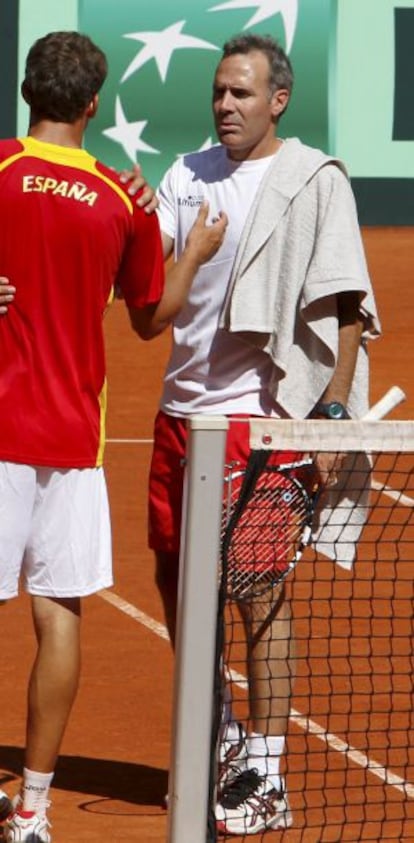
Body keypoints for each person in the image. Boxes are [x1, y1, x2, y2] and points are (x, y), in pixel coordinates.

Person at [121, 32, 380, 835]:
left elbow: (344, 305)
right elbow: (152, 278)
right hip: (181, 416)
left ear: (278, 101)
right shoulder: (185, 174)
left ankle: (267, 771)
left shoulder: (312, 179)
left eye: (241, 93)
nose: (224, 105)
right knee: (177, 587)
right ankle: (223, 735)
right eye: (218, 92)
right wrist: (132, 219)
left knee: (260, 596)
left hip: (262, 419)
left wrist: (331, 414)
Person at [0, 30, 226, 843]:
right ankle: (32, 808)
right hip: (71, 440)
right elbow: (148, 321)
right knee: (58, 617)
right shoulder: (123, 201)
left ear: (28, 90)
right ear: (93, 104)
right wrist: (192, 255)